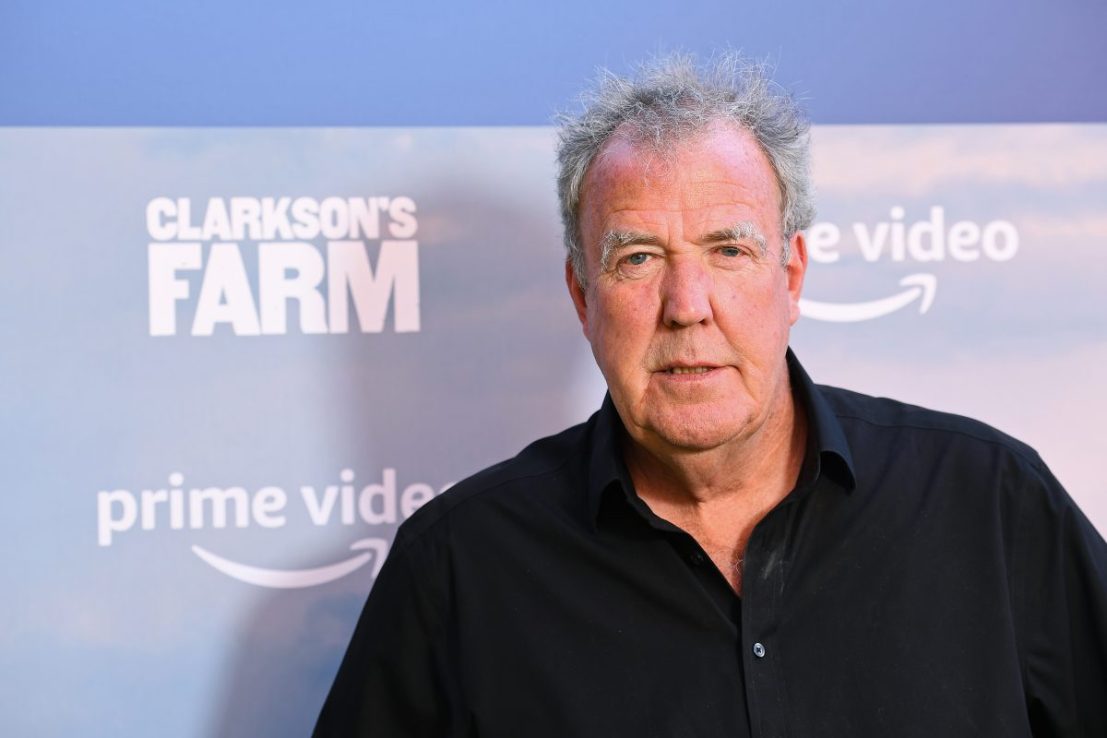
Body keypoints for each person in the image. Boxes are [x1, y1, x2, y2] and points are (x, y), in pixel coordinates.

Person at [313, 53, 1107, 737]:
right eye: (637, 259)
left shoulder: (990, 504)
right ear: (581, 296)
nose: (686, 302)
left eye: (728, 249)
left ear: (790, 276)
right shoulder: (457, 568)